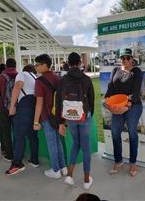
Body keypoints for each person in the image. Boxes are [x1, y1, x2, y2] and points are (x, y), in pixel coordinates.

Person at [58, 52, 95, 189]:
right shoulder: (86, 79)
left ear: (68, 62)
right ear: (80, 63)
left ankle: (70, 176)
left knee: (75, 144)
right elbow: (91, 100)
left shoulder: (63, 80)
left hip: (69, 117)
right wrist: (89, 112)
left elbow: (59, 101)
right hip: (84, 116)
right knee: (86, 147)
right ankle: (86, 180)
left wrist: (60, 122)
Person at [104, 48, 143, 177]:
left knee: (132, 132)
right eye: (122, 58)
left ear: (132, 58)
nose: (125, 60)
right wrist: (108, 103)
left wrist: (127, 106)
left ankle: (132, 163)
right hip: (117, 106)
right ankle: (118, 161)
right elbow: (110, 88)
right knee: (115, 132)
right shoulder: (115, 70)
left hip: (133, 106)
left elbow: (136, 91)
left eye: (127, 58)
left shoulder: (136, 71)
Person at [33, 54, 67, 179]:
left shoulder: (40, 81)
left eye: (37, 64)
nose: (35, 67)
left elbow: (39, 103)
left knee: (52, 143)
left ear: (44, 65)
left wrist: (36, 122)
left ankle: (56, 170)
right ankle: (63, 167)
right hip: (58, 116)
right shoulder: (58, 78)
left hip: (47, 116)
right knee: (58, 142)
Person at [6, 64, 39, 175]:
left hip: (24, 107)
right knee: (33, 135)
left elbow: (17, 87)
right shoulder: (35, 78)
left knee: (19, 135)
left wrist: (12, 106)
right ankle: (34, 160)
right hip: (34, 107)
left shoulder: (22, 74)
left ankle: (17, 164)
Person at [0, 58, 17, 161]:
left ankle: (9, 154)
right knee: (17, 131)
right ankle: (18, 152)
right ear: (15, 65)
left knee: (6, 132)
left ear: (6, 66)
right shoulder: (20, 76)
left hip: (4, 108)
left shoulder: (0, 77)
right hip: (17, 108)